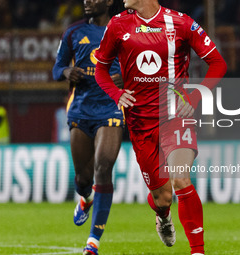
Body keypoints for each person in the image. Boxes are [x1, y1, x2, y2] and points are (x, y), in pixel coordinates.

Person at [94, 0, 227, 254]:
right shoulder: (118, 24)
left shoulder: (181, 22)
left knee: (181, 178)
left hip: (175, 116)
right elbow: (101, 68)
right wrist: (116, 93)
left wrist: (195, 98)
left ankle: (197, 250)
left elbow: (218, 63)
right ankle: (163, 215)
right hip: (140, 123)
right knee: (162, 198)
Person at [52, 0, 124, 254]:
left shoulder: (124, 31)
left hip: (111, 106)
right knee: (84, 178)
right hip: (81, 109)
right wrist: (67, 71)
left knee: (103, 166)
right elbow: (56, 67)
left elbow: (143, 68)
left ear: (108, 2)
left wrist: (125, 77)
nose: (87, 2)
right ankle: (85, 197)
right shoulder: (74, 32)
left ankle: (92, 242)